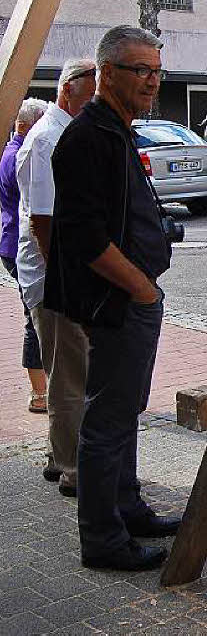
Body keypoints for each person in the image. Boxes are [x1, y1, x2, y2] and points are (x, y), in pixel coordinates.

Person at [45, 26, 180, 572]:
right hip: (117, 303)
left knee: (125, 414)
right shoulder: (87, 138)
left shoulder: (119, 132)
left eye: (155, 70)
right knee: (106, 423)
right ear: (105, 74)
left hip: (133, 301)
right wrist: (141, 287)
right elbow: (84, 238)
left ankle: (127, 507)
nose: (151, 81)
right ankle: (103, 539)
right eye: (139, 70)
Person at [17, 61, 96, 496]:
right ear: (67, 92)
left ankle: (57, 455)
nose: (93, 109)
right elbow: (43, 222)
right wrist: (67, 280)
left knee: (67, 368)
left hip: (56, 275)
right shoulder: (49, 139)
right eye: (89, 100)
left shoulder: (61, 133)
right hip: (53, 279)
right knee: (69, 375)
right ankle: (72, 467)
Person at [1, 99, 48, 414]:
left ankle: (43, 389)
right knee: (35, 318)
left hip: (11, 244)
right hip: (21, 247)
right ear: (27, 125)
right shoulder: (22, 156)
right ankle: (38, 393)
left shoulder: (10, 151)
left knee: (37, 316)